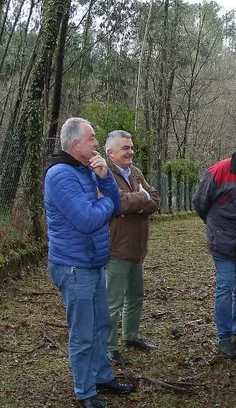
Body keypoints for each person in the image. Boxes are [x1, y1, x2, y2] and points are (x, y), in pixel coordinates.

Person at [45, 118, 135, 408]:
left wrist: (106, 178)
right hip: (74, 266)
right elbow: (87, 220)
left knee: (100, 325)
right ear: (75, 145)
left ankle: (101, 377)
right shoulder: (61, 175)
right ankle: (85, 392)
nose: (97, 143)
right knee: (83, 333)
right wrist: (106, 206)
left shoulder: (87, 169)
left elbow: (114, 202)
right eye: (92, 138)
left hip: (93, 262)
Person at [192, 130, 236, 359]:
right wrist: (216, 228)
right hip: (222, 241)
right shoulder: (219, 171)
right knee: (225, 287)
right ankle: (224, 336)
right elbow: (200, 202)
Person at [103, 130, 161, 367]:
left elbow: (155, 200)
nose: (131, 151)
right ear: (111, 153)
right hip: (117, 248)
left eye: (131, 146)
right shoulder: (104, 174)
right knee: (113, 302)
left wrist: (135, 202)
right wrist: (140, 199)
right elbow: (118, 203)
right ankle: (109, 348)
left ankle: (131, 337)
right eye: (125, 148)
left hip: (137, 248)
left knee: (136, 296)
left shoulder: (135, 172)